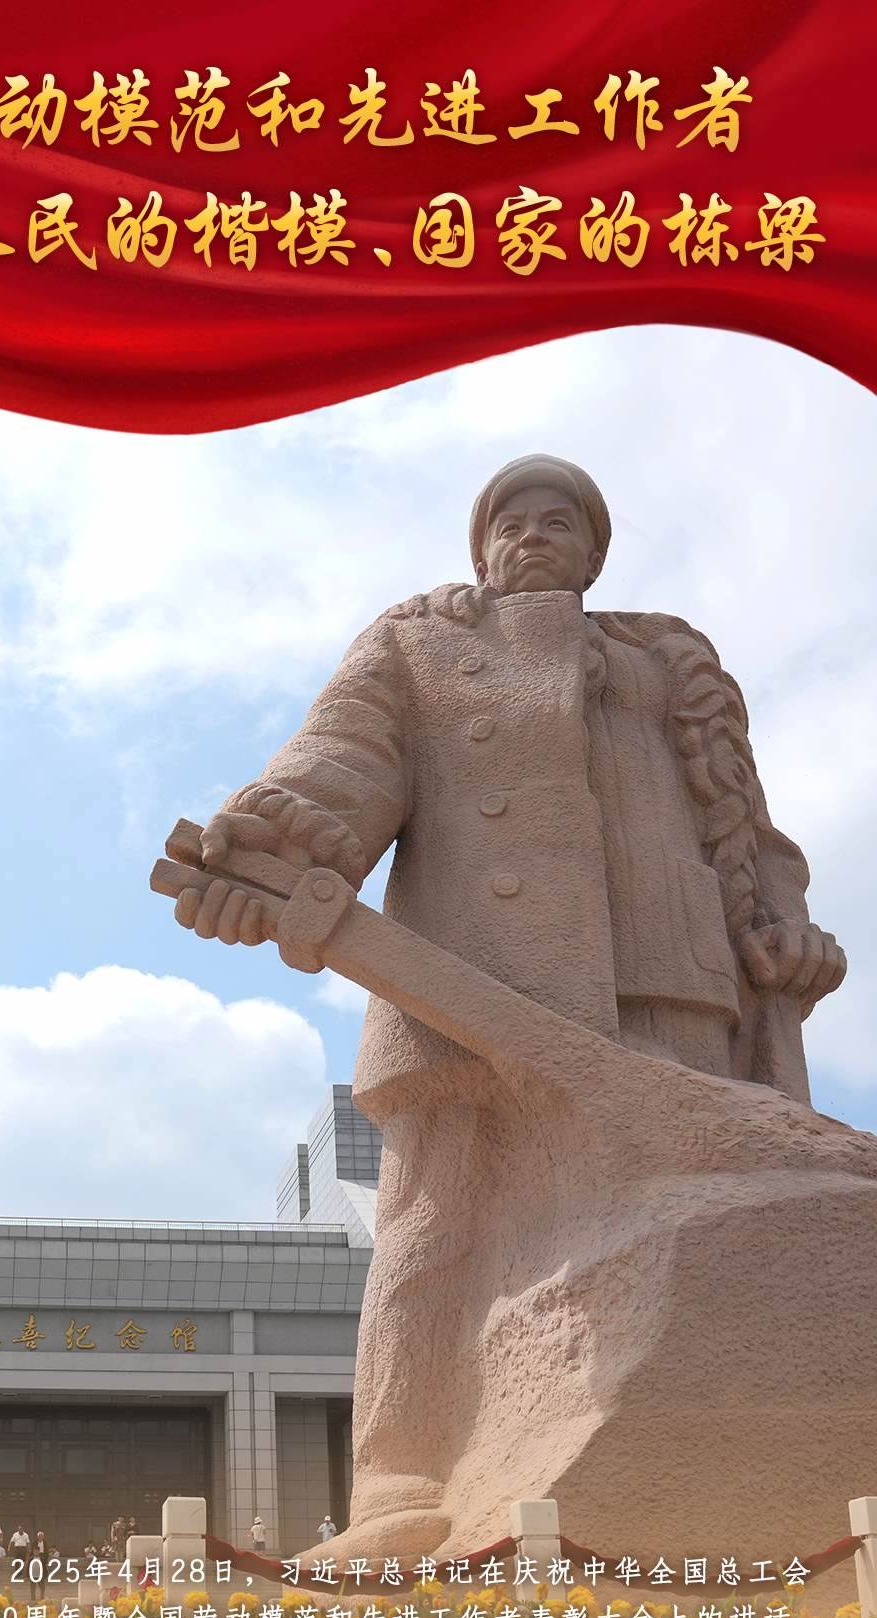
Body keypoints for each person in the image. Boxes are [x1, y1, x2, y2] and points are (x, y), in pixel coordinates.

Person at [175, 454, 847, 1556]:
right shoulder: (421, 643)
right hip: (463, 977)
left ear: (595, 552)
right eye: (512, 522)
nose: (533, 536)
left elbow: (741, 823)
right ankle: (403, 1479)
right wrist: (275, 841)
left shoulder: (668, 659)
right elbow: (339, 762)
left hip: (667, 964)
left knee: (708, 1208)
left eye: (559, 521)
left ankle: (726, 1464)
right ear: (482, 549)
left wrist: (780, 923)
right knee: (436, 1225)